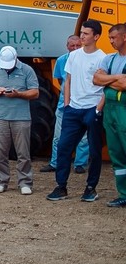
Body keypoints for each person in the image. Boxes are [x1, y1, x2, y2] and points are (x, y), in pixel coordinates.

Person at [46, 20, 105, 202]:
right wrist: (68, 104)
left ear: (96, 37)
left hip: (92, 108)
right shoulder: (73, 56)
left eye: (86, 33)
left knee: (94, 152)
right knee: (64, 147)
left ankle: (90, 188)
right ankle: (61, 186)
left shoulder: (102, 58)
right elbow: (68, 80)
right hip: (73, 109)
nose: (82, 36)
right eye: (81, 32)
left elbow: (105, 86)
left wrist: (97, 109)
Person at [0, 46, 39, 194]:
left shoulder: (27, 70)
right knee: (1, 151)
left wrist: (19, 94)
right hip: (1, 117)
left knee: (23, 152)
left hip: (21, 117)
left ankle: (25, 182)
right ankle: (1, 181)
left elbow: (35, 92)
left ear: (16, 59)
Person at [41, 35, 89, 173]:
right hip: (64, 105)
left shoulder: (87, 60)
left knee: (84, 138)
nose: (74, 48)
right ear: (67, 46)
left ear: (82, 45)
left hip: (83, 104)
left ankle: (80, 164)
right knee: (58, 136)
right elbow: (60, 80)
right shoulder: (61, 60)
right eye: (72, 46)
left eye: (77, 46)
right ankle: (55, 163)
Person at [93, 23, 126, 207]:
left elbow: (125, 85)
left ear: (124, 37)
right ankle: (123, 193)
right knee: (116, 153)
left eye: (113, 38)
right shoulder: (110, 59)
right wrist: (117, 78)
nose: (111, 41)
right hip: (111, 111)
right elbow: (96, 79)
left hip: (124, 110)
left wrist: (107, 81)